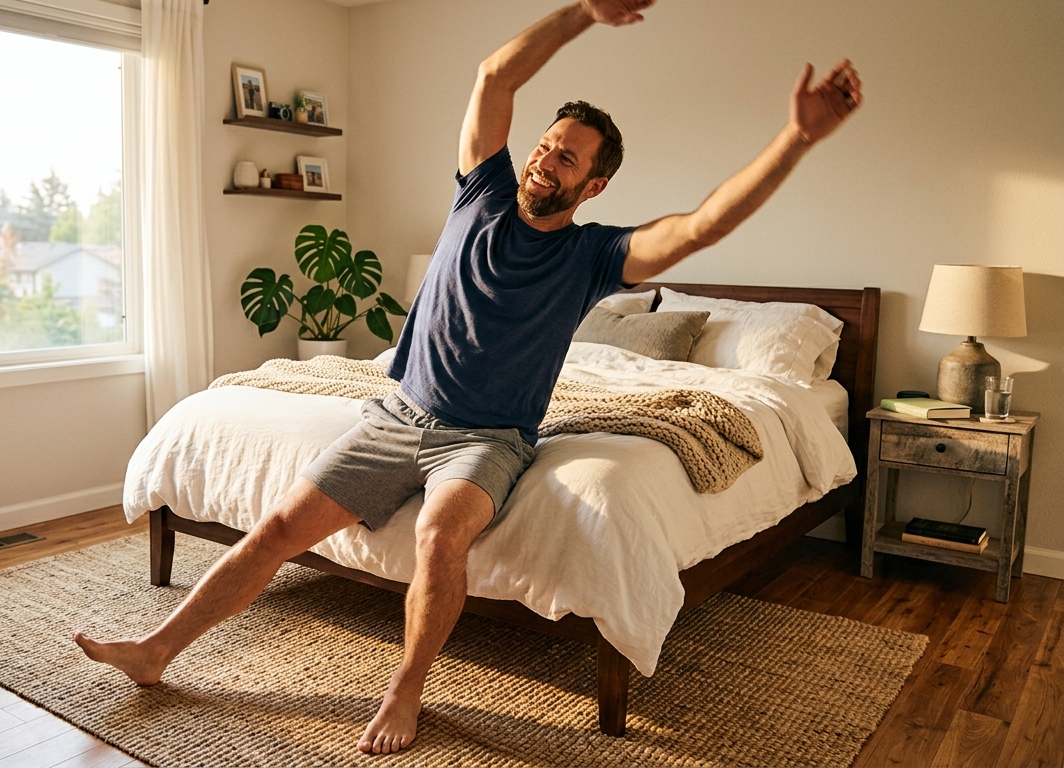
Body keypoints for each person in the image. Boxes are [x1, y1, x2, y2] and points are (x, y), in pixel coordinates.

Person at [75, 0, 861, 755]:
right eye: (548, 145)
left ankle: (406, 688)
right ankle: (155, 650)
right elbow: (494, 78)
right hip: (398, 413)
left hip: (488, 439)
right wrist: (585, 12)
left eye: (568, 158)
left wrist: (795, 137)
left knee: (439, 535)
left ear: (595, 187)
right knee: (279, 528)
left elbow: (701, 225)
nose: (547, 159)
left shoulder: (594, 257)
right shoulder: (479, 192)